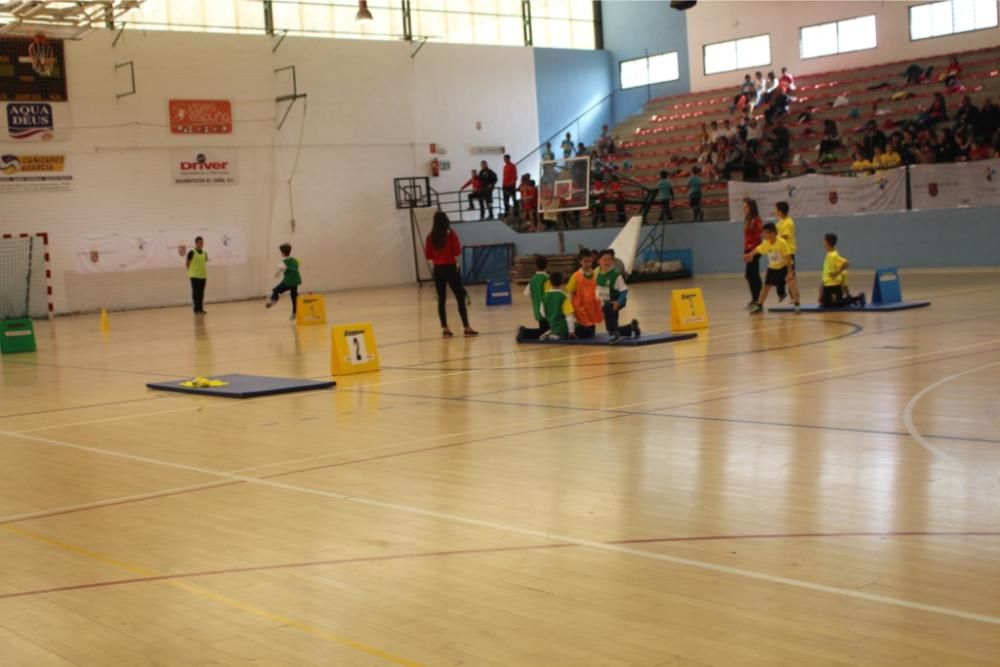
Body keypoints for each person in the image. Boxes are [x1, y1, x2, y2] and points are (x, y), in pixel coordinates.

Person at [423, 211, 477, 337]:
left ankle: (445, 328)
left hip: (437, 269)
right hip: (452, 268)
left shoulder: (430, 236)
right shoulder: (450, 234)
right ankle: (467, 327)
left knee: (441, 300)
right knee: (459, 297)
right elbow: (457, 251)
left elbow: (428, 255)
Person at [743, 222, 795, 314]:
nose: (764, 235)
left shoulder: (782, 243)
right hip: (773, 268)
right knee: (766, 286)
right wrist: (750, 254)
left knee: (791, 283)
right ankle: (759, 305)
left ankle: (796, 302)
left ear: (774, 233)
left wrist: (789, 272)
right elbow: (759, 249)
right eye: (764, 233)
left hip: (784, 267)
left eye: (767, 233)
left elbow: (788, 257)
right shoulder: (766, 243)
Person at [595, 249, 639, 344]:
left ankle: (614, 334)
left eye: (609, 259)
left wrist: (619, 302)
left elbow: (624, 291)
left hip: (616, 301)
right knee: (613, 324)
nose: (607, 262)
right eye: (604, 260)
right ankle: (631, 328)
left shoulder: (616, 275)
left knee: (608, 308)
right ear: (599, 261)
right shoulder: (596, 274)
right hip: (604, 302)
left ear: (612, 261)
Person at [819, 233, 866, 308]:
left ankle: (858, 298)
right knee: (826, 304)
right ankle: (851, 299)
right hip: (828, 284)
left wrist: (836, 273)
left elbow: (846, 263)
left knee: (834, 305)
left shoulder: (833, 255)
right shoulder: (829, 254)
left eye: (824, 240)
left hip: (833, 285)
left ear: (827, 242)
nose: (823, 242)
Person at [565, 248, 602, 339]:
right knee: (588, 333)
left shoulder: (595, 274)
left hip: (592, 310)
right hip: (581, 311)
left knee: (592, 333)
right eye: (585, 262)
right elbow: (569, 293)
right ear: (580, 261)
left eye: (590, 261)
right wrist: (570, 310)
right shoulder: (575, 276)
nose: (588, 264)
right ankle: (568, 330)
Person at [517, 255, 551, 341]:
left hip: (537, 308)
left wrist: (535, 300)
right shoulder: (546, 279)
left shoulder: (533, 279)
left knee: (544, 330)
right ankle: (525, 332)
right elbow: (550, 295)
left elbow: (527, 293)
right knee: (546, 332)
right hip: (546, 310)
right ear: (547, 265)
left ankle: (525, 332)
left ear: (535, 266)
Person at [265, 243, 302, 320]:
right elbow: (298, 264)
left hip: (289, 281)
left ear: (282, 253)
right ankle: (294, 313)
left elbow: (281, 268)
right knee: (294, 296)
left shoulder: (283, 262)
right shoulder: (295, 260)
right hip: (296, 279)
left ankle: (274, 300)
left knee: (276, 290)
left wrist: (277, 273)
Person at [774, 201, 800, 309]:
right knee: (778, 275)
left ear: (780, 211)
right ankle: (781, 293)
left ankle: (794, 298)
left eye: (776, 210)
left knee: (790, 276)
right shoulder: (779, 223)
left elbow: (784, 237)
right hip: (779, 253)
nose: (775, 212)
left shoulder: (788, 223)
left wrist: (774, 240)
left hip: (788, 253)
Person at [537, 272, 576, 341]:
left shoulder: (545, 296)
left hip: (552, 324)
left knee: (555, 328)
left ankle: (551, 332)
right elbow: (569, 316)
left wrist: (551, 317)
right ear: (562, 282)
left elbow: (542, 313)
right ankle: (557, 335)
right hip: (563, 326)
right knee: (586, 331)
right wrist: (571, 331)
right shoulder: (563, 297)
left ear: (550, 283)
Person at [742, 198, 763, 309]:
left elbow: (758, 238)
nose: (744, 209)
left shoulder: (756, 220)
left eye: (746, 207)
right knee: (751, 275)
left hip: (755, 250)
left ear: (751, 207)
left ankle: (758, 300)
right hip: (748, 250)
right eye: (743, 207)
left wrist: (751, 251)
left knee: (751, 275)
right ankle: (755, 299)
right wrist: (745, 249)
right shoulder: (748, 219)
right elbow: (747, 237)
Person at [185, 235, 208, 315]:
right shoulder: (192, 252)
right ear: (196, 243)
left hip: (203, 276)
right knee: (196, 293)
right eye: (199, 242)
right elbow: (187, 263)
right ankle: (196, 309)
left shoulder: (205, 253)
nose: (201, 244)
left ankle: (200, 308)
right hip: (194, 276)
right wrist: (190, 272)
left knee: (201, 293)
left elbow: (204, 263)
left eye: (202, 242)